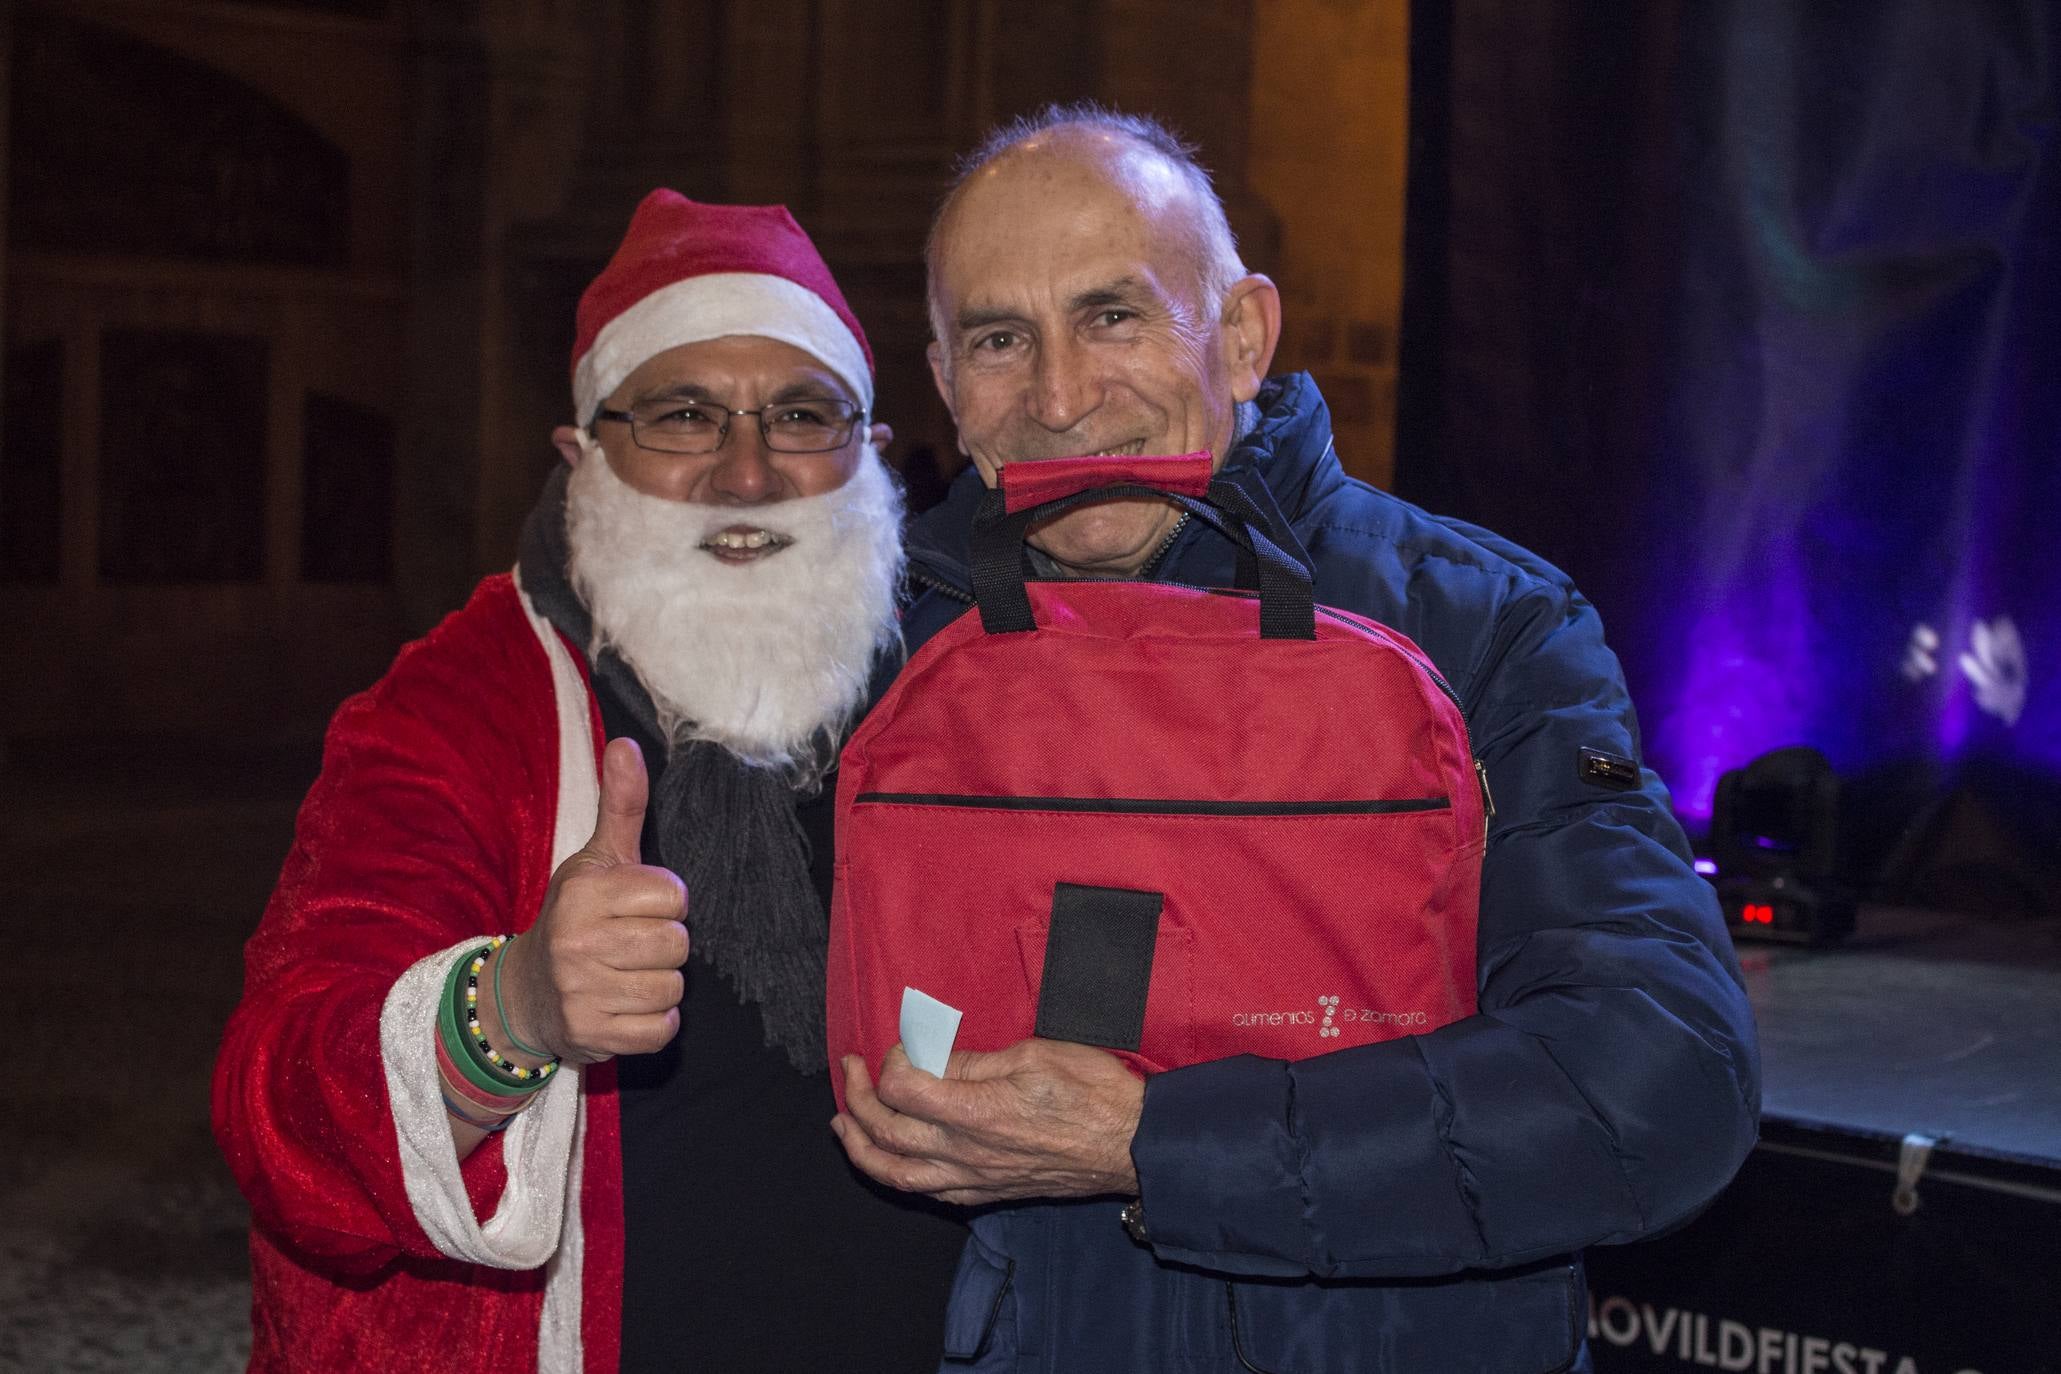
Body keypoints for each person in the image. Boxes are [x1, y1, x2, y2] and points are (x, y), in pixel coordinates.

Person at [831, 106, 1763, 1372]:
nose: (1059, 397)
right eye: (1001, 339)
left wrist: (1152, 1143)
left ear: (1245, 336)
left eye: (1114, 315)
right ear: (945, 383)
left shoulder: (1479, 625)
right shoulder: (880, 654)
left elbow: (1661, 1082)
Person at [213, 190, 967, 1373]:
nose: (748, 473)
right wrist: (510, 1009)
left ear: (872, 453)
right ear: (582, 455)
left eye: (802, 414)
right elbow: (280, 1107)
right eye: (682, 416)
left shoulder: (964, 694)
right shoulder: (458, 711)